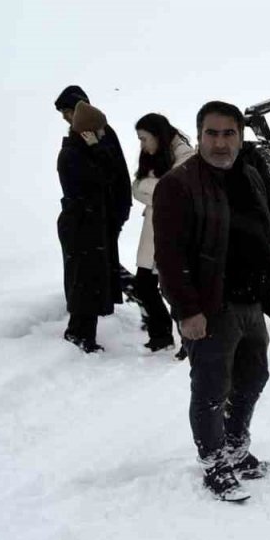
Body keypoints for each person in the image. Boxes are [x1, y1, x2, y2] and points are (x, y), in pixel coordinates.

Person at [153, 100, 270, 502]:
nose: (220, 143)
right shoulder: (178, 184)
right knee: (211, 390)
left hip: (252, 304)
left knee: (254, 378)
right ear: (198, 136)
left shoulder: (250, 175)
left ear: (240, 135)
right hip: (211, 309)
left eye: (228, 133)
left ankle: (237, 449)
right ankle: (215, 463)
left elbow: (266, 235)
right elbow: (168, 256)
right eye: (211, 134)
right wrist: (187, 311)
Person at [54, 86, 137, 309]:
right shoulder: (83, 136)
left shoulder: (99, 132)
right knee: (102, 261)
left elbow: (112, 173)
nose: (65, 118)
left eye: (68, 112)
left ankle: (139, 293)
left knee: (103, 260)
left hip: (107, 210)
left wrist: (117, 210)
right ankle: (136, 294)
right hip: (97, 212)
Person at [56, 100, 126, 352]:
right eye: (99, 130)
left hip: (88, 225)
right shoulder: (73, 155)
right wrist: (97, 150)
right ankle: (78, 333)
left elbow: (110, 176)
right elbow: (103, 178)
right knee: (83, 282)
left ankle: (85, 333)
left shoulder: (81, 151)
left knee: (91, 281)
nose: (103, 134)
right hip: (79, 227)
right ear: (86, 131)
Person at [131, 113, 195, 352]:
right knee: (144, 284)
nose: (142, 145)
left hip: (175, 233)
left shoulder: (185, 155)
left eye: (144, 139)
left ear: (158, 135)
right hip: (152, 230)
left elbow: (174, 192)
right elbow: (136, 188)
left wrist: (156, 191)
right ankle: (160, 336)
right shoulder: (155, 156)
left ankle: (187, 340)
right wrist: (158, 192)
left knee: (175, 287)